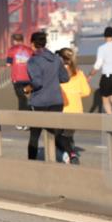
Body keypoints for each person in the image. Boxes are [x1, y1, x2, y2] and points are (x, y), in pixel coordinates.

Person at [26, 31, 75, 163]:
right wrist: (52, 79)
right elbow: (65, 78)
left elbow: (37, 83)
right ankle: (70, 154)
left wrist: (28, 88)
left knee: (34, 135)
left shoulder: (33, 61)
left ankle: (31, 163)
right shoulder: (56, 59)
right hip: (56, 101)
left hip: (40, 103)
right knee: (56, 133)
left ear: (32, 44)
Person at [57, 47, 89, 165]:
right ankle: (69, 153)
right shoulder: (79, 73)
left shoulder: (58, 73)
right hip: (77, 110)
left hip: (63, 109)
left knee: (57, 136)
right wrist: (75, 93)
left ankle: (70, 154)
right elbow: (86, 92)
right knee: (68, 135)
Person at [5, 33, 34, 129]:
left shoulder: (11, 50)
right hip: (28, 79)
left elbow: (8, 64)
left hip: (17, 79)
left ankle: (21, 122)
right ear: (22, 40)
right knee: (27, 98)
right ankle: (28, 121)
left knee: (21, 99)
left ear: (14, 41)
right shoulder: (29, 50)